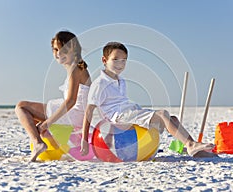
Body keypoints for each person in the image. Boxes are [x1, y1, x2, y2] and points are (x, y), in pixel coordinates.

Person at [80, 42, 216, 158]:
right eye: (115, 60)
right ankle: (191, 144)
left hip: (130, 111)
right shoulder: (99, 84)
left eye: (124, 60)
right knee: (162, 114)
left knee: (172, 119)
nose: (120, 64)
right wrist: (84, 140)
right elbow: (89, 111)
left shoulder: (121, 80)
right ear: (104, 60)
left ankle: (193, 149)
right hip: (118, 118)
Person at [15, 31, 91, 162]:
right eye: (56, 49)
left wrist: (46, 123)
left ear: (74, 50)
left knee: (21, 107)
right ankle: (44, 142)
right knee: (31, 119)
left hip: (75, 115)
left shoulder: (75, 68)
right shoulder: (76, 66)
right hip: (75, 114)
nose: (59, 53)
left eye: (64, 49)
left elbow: (71, 101)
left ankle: (38, 143)